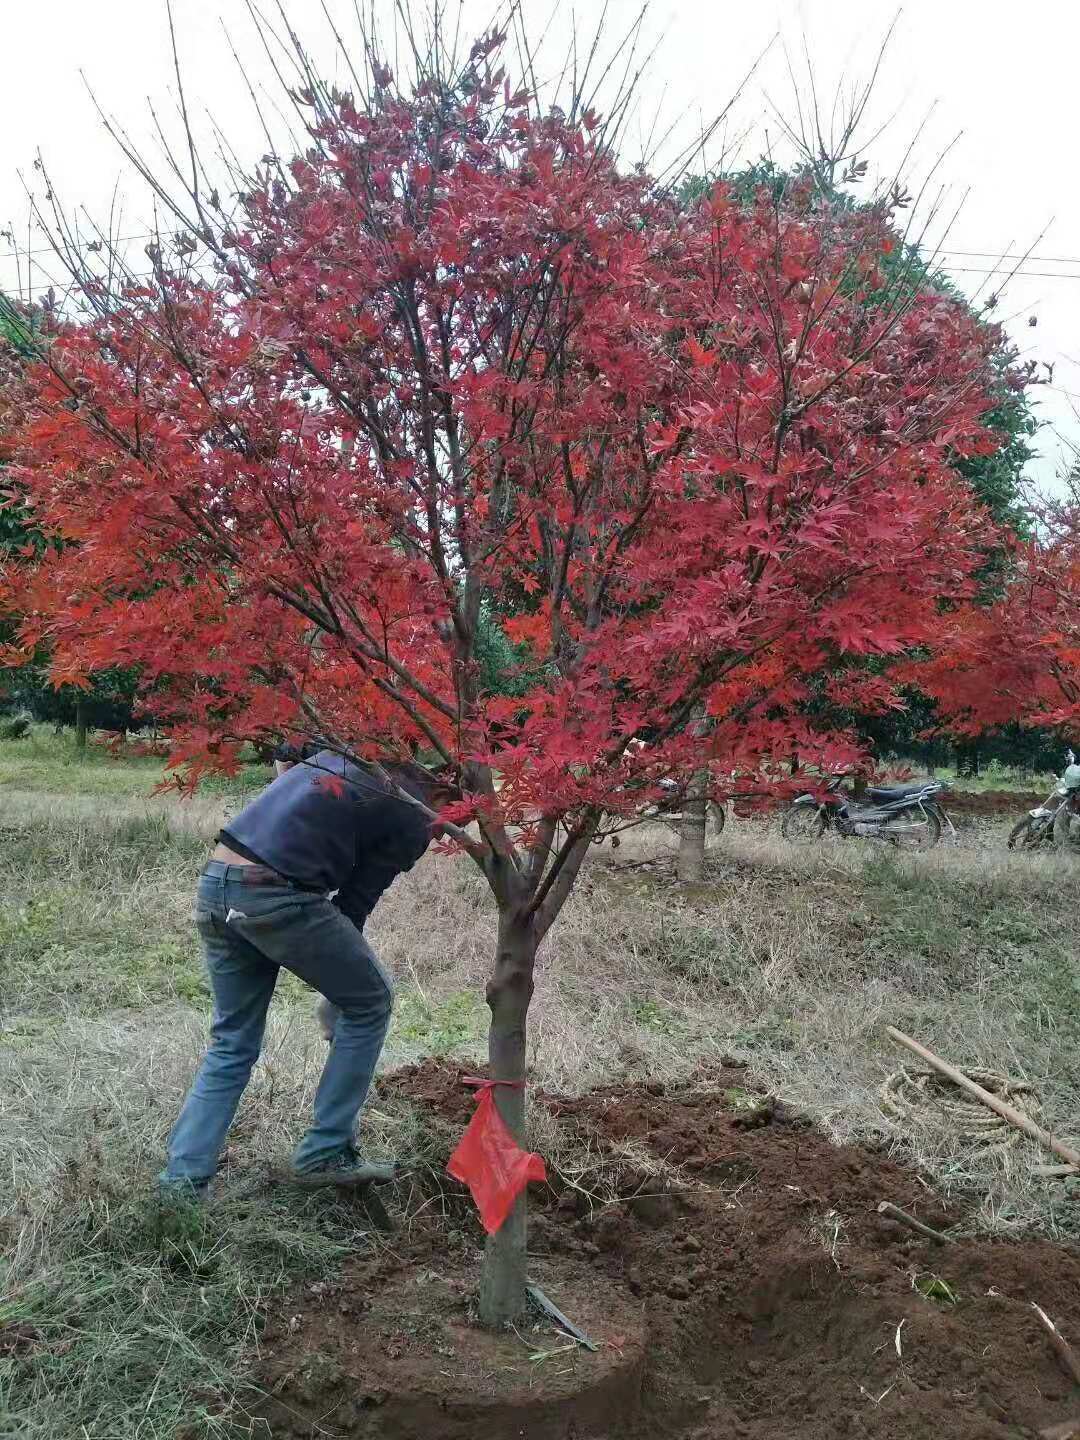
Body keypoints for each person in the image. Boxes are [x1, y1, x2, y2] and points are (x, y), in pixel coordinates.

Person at [160, 746, 450, 1198]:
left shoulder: (353, 749)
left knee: (232, 1041)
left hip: (217, 881)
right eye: (470, 814)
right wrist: (342, 995)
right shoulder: (417, 813)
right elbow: (354, 904)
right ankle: (326, 1152)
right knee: (371, 1002)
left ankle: (180, 1188)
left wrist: (339, 984)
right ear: (456, 789)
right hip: (275, 894)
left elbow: (285, 755)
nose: (461, 829)